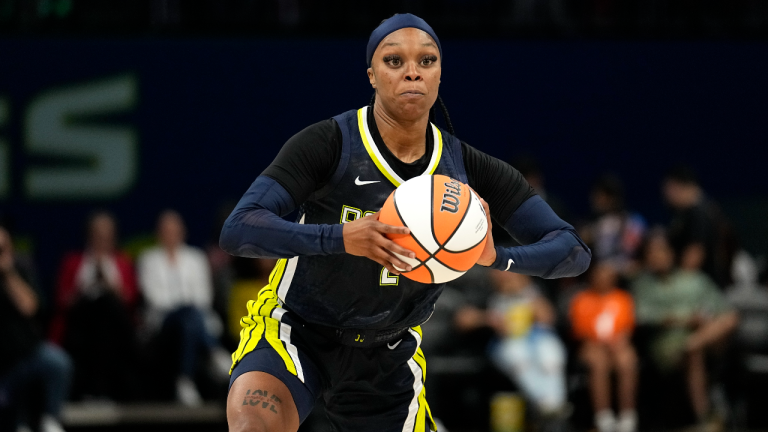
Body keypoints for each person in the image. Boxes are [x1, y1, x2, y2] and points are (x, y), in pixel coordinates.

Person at [219, 13, 591, 432]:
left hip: (388, 353)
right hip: (296, 330)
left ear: (438, 75)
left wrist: (495, 257)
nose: (412, 71)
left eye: (426, 61)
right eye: (394, 61)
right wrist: (340, 237)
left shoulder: (468, 168)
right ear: (372, 75)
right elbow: (240, 228)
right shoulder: (330, 142)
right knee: (254, 425)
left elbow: (573, 252)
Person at [632, 230, 737, 427]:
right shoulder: (642, 284)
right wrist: (686, 320)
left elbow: (723, 311)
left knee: (729, 319)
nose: (657, 256)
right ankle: (704, 418)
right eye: (651, 252)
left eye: (661, 250)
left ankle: (694, 344)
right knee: (694, 352)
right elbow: (642, 316)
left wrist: (703, 321)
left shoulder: (694, 280)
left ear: (672, 253)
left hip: (705, 339)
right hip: (666, 346)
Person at [137, 210, 231, 406]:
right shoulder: (148, 259)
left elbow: (203, 297)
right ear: (159, 233)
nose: (171, 235)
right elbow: (154, 299)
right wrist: (184, 306)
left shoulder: (196, 258)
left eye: (174, 230)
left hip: (194, 320)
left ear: (183, 232)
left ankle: (185, 380)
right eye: (166, 231)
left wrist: (186, 307)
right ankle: (214, 351)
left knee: (189, 322)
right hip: (163, 322)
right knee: (188, 316)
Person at [50, 211, 139, 401]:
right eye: (97, 234)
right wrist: (85, 287)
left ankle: (105, 391)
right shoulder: (73, 262)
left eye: (106, 235)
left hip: (115, 328)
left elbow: (130, 300)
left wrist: (110, 285)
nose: (102, 239)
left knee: (107, 307)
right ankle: (90, 391)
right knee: (95, 310)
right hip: (81, 325)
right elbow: (62, 301)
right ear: (89, 235)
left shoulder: (122, 263)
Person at [0, 226, 71, 432]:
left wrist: (7, 273)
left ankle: (51, 420)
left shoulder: (20, 270)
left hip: (27, 354)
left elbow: (30, 307)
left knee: (58, 362)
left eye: (3, 248)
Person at [473, 271, 568, 416]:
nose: (507, 278)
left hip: (537, 339)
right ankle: (547, 405)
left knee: (550, 356)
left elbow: (548, 319)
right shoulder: (487, 293)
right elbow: (462, 319)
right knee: (519, 358)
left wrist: (525, 292)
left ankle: (555, 404)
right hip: (506, 342)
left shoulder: (532, 291)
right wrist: (488, 318)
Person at [570, 261, 637, 432]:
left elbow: (627, 328)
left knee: (627, 360)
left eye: (607, 276)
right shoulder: (581, 299)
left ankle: (627, 416)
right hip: (592, 345)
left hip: (618, 345)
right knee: (598, 362)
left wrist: (618, 341)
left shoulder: (623, 298)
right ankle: (604, 417)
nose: (603, 280)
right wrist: (601, 343)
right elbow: (580, 331)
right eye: (599, 276)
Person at [663, 166, 736, 287]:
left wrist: (677, 283)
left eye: (668, 189)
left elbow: (696, 252)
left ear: (676, 186)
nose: (666, 195)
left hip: (703, 285)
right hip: (707, 282)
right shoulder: (705, 208)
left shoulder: (698, 212)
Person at [582, 174, 646, 279]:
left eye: (599, 196)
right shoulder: (591, 224)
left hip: (629, 275)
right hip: (600, 275)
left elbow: (637, 253)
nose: (594, 200)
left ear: (611, 197)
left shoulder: (634, 221)